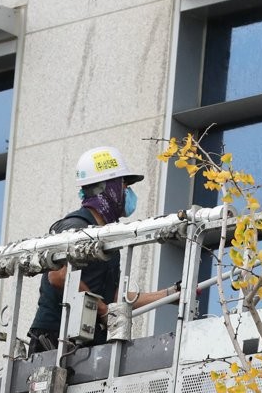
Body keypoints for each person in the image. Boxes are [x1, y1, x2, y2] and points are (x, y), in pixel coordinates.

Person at [27, 146, 177, 354]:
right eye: (124, 185)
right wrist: (103, 310)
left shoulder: (104, 236)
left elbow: (110, 296)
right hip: (54, 342)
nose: (128, 192)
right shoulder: (74, 227)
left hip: (83, 343)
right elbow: (58, 275)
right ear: (106, 188)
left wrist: (167, 295)